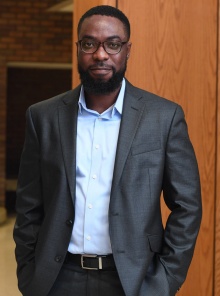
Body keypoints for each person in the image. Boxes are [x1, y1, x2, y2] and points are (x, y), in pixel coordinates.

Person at [13, 5, 202, 296]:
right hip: (56, 280)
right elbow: (28, 205)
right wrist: (28, 273)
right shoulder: (43, 117)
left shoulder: (164, 117)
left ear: (127, 51)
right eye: (89, 44)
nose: (100, 55)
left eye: (113, 44)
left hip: (134, 281)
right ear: (77, 48)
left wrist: (165, 280)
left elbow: (187, 206)